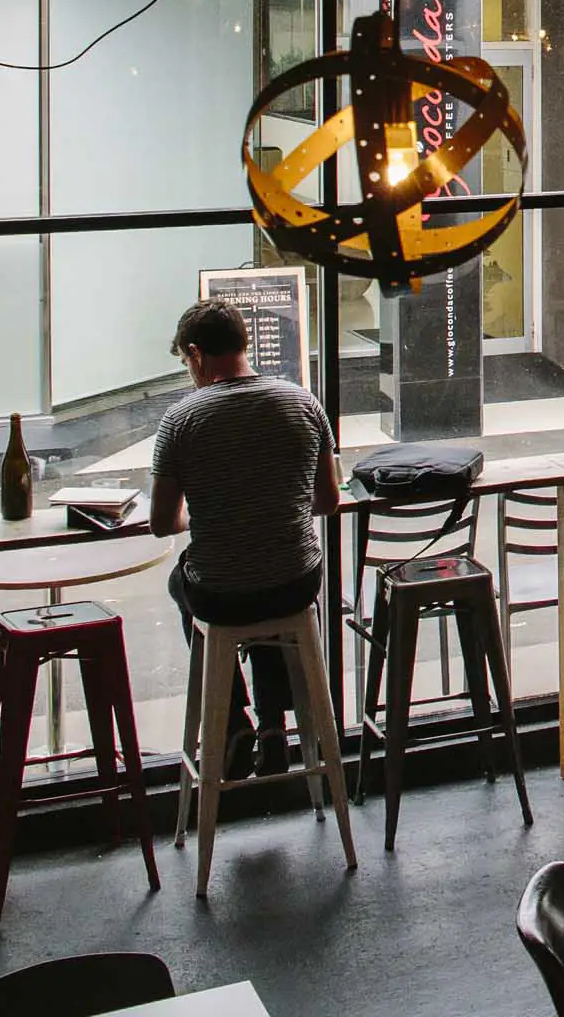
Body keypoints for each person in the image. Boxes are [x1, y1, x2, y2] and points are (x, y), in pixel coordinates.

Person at [148, 298, 338, 775]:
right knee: (271, 581)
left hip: (222, 597)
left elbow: (160, 523)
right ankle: (275, 725)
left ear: (195, 354)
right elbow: (328, 501)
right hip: (297, 584)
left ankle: (234, 725)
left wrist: (207, 512)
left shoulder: (182, 420)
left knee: (192, 582)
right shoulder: (302, 402)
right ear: (245, 342)